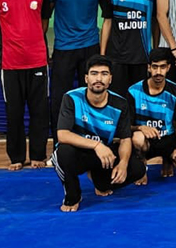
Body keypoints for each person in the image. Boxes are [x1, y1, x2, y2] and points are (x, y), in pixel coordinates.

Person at [52, 55, 146, 212]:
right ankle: (73, 195)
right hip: (79, 153)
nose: (99, 78)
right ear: (86, 78)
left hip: (104, 157)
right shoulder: (71, 98)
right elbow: (62, 135)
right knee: (62, 153)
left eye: (104, 74)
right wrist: (96, 145)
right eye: (94, 73)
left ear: (110, 79)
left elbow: (125, 139)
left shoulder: (120, 103)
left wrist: (123, 163)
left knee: (138, 169)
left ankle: (99, 181)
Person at [0, 0, 51, 171]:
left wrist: (30, 40)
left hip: (38, 62)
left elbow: (43, 23)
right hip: (10, 64)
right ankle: (16, 157)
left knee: (39, 112)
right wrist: (11, 42)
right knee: (14, 113)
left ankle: (38, 155)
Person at [46, 0, 106, 138]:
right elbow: (45, 16)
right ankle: (59, 141)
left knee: (92, 95)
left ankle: (91, 137)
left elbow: (108, 18)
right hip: (63, 48)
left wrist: (103, 52)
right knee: (59, 97)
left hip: (90, 47)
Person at [128, 47, 176, 184]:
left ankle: (168, 159)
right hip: (146, 141)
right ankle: (141, 167)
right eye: (155, 67)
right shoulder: (133, 91)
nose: (158, 72)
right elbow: (126, 126)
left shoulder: (175, 90)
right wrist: (141, 128)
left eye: (162, 67)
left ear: (168, 67)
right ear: (149, 67)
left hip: (168, 139)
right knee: (137, 138)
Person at [100, 0, 158, 96]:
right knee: (118, 98)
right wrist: (103, 55)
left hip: (142, 56)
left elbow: (155, 21)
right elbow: (107, 21)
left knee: (140, 98)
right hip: (117, 57)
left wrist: (155, 49)